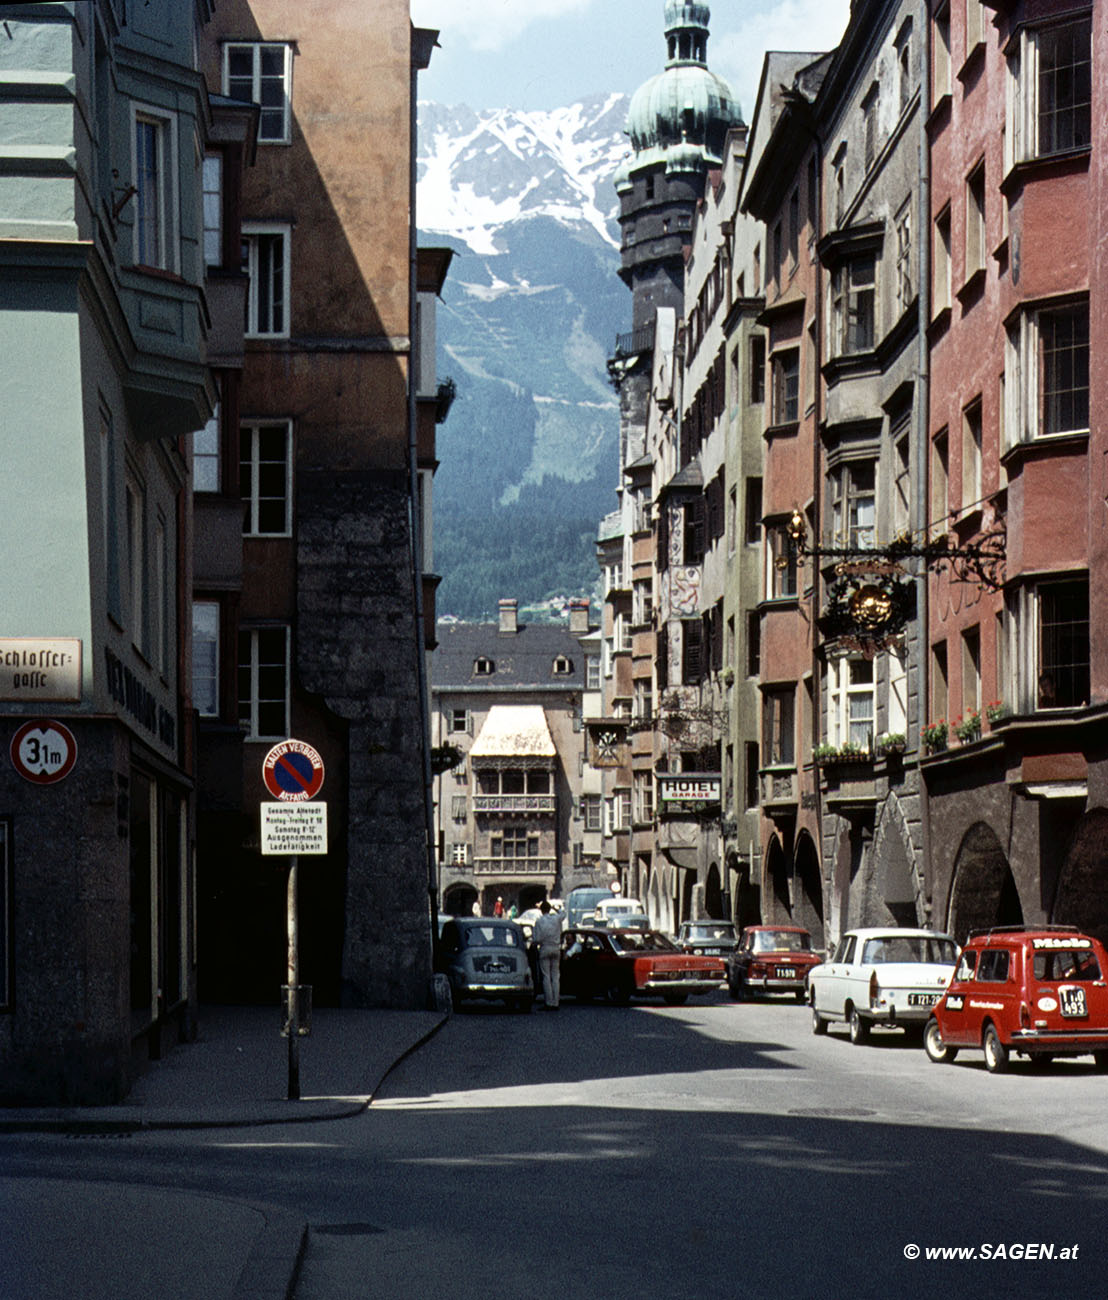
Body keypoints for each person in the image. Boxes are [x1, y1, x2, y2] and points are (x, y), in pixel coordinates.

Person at [532, 899, 563, 1009]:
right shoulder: (556, 919)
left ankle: (548, 1002)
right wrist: (555, 908)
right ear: (550, 909)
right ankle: (556, 1002)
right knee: (555, 976)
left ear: (541, 910)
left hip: (545, 948)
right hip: (556, 948)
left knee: (546, 976)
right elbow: (563, 914)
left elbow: (536, 939)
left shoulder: (539, 921)